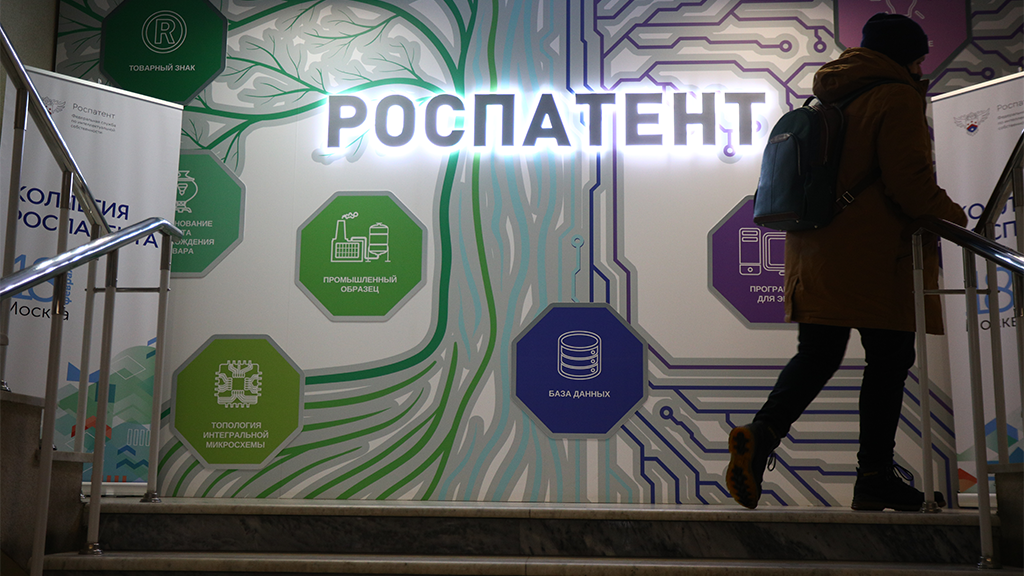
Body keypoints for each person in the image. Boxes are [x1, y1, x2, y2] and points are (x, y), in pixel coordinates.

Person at [725, 13, 968, 511]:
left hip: (814, 253)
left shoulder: (830, 93)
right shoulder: (896, 96)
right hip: (876, 258)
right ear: (907, 57)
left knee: (817, 354)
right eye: (920, 59)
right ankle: (874, 475)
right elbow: (910, 184)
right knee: (889, 362)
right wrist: (959, 220)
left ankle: (763, 432)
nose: (922, 68)